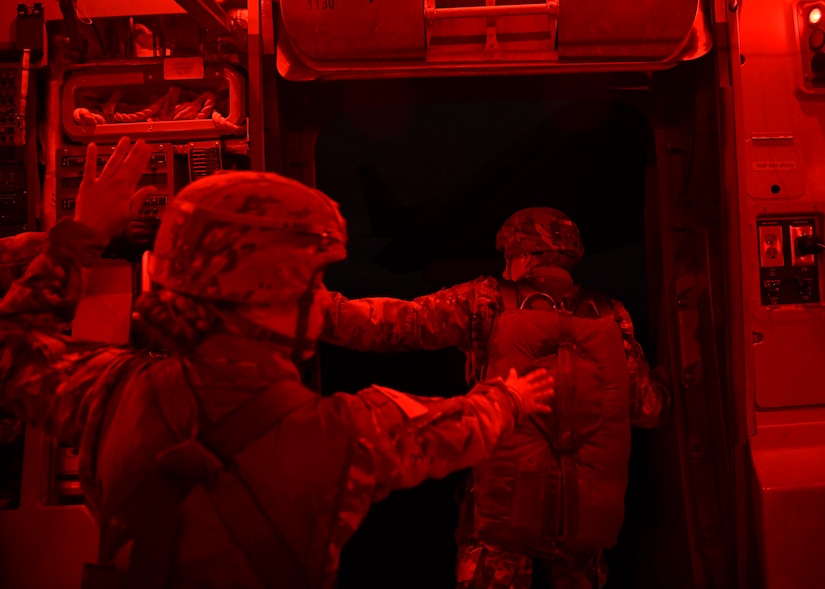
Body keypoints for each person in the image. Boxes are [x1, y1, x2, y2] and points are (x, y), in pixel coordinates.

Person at [0, 137, 556, 589]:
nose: (321, 300)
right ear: (264, 298)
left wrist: (80, 235)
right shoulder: (345, 436)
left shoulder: (108, 391)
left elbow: (10, 349)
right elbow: (460, 425)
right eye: (309, 283)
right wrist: (512, 397)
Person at [321, 207, 671, 589]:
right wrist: (670, 377)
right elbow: (648, 409)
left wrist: (322, 311)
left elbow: (396, 325)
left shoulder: (487, 299)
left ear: (521, 255)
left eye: (508, 257)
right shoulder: (612, 315)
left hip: (501, 520)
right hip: (581, 531)